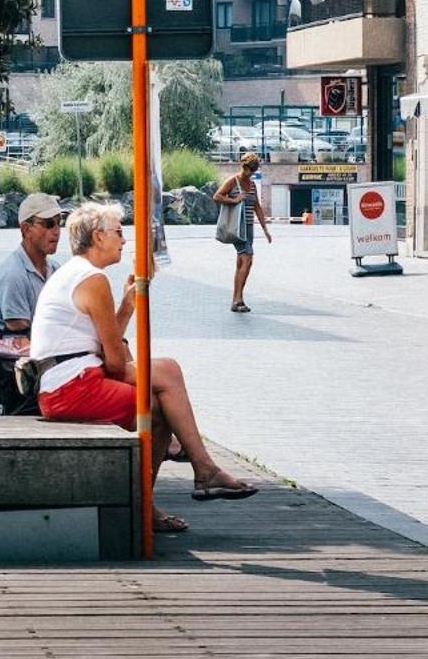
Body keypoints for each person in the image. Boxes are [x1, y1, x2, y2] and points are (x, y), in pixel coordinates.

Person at [29, 202, 257, 534]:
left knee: (166, 376)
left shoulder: (77, 273)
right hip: (71, 387)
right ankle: (177, 485)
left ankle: (197, 473)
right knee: (160, 399)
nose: (124, 241)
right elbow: (116, 361)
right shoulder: (91, 279)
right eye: (119, 233)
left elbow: (101, 345)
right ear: (98, 236)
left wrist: (127, 305)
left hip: (69, 379)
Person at [0, 192, 63, 335]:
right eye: (49, 224)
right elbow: (21, 334)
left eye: (59, 222)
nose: (56, 231)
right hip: (13, 354)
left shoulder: (55, 269)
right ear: (26, 229)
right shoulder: (12, 275)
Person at [211, 151, 272, 313]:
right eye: (250, 170)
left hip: (249, 228)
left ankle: (237, 299)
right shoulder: (233, 181)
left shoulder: (252, 185)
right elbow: (217, 196)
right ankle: (238, 298)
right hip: (238, 227)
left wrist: (265, 229)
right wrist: (234, 200)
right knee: (247, 260)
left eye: (254, 171)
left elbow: (257, 206)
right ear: (243, 167)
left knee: (241, 263)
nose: (251, 173)